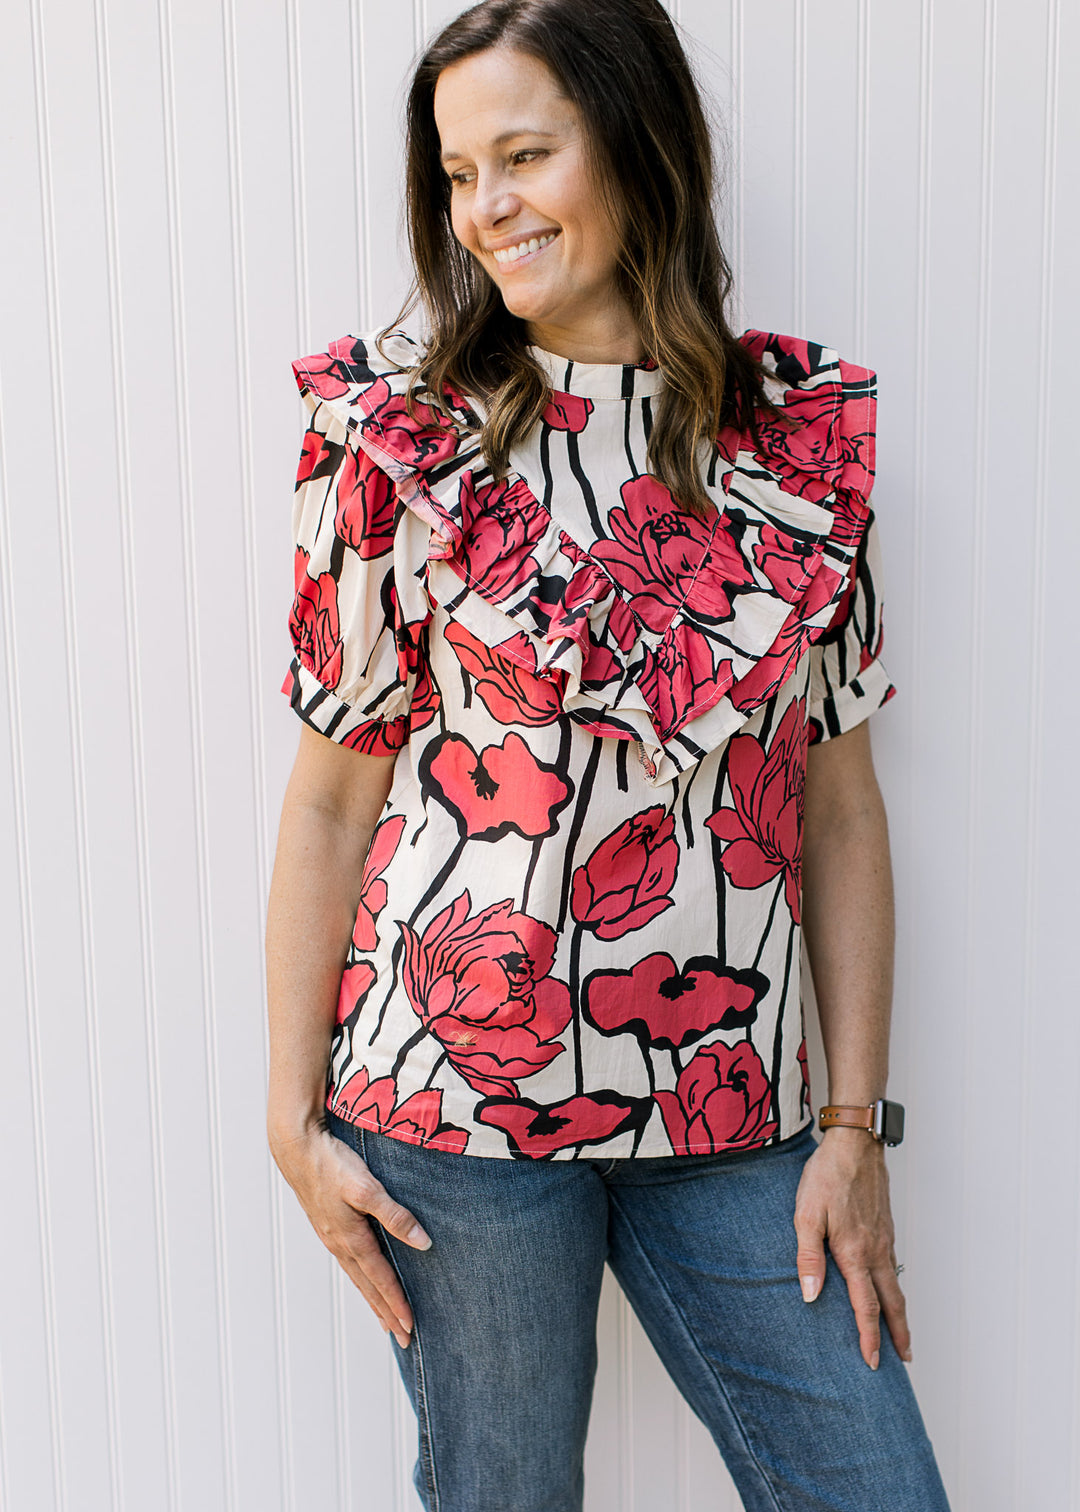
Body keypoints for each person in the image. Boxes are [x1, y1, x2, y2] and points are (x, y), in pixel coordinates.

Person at [265, 2, 952, 1508]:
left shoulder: (800, 449)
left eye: (525, 153)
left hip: (738, 1115)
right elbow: (331, 792)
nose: (488, 207)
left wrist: (856, 1128)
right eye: (458, 172)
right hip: (455, 1125)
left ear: (640, 151)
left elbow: (840, 804)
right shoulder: (397, 441)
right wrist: (286, 1117)